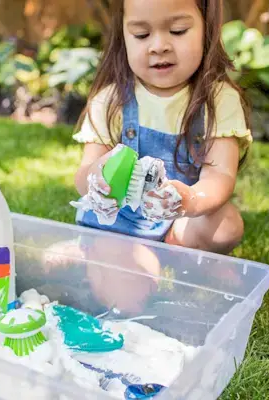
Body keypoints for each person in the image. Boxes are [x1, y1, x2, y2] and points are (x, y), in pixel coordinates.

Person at [43, 0, 250, 314]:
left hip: (177, 223)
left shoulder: (218, 99)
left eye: (178, 31)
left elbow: (220, 176)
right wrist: (96, 177)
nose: (159, 46)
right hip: (119, 225)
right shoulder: (111, 100)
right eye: (141, 35)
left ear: (207, 29)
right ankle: (90, 253)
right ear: (123, 35)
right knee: (127, 300)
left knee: (226, 225)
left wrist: (190, 199)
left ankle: (189, 262)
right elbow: (84, 173)